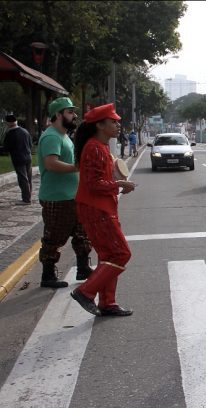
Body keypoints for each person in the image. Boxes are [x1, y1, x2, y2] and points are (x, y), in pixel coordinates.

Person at [70, 104, 136, 317]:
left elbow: (100, 181)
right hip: (96, 209)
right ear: (100, 125)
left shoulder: (100, 146)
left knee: (109, 255)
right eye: (113, 121)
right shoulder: (95, 148)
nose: (118, 125)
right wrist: (119, 185)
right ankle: (86, 292)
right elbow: (93, 184)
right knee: (121, 253)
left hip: (100, 207)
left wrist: (117, 184)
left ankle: (108, 302)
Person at [36, 97, 93, 289]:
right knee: (54, 237)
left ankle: (83, 268)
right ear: (58, 115)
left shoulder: (64, 135)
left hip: (71, 196)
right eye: (70, 112)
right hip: (57, 197)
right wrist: (76, 168)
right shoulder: (52, 136)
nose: (74, 115)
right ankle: (48, 275)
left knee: (81, 234)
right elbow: (51, 164)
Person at [3, 114, 33, 204]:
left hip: (18, 159)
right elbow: (30, 144)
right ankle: (28, 197)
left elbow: (6, 148)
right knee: (29, 178)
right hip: (28, 157)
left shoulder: (10, 133)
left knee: (23, 179)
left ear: (8, 123)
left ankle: (26, 199)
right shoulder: (25, 131)